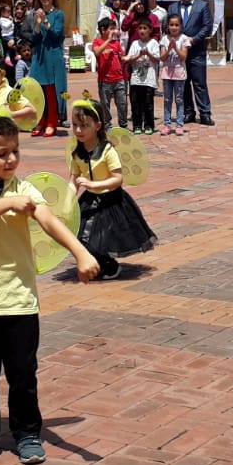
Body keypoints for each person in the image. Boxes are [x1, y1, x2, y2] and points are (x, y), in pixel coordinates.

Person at [0, 107, 99, 465]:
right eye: (1, 154)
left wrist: (81, 253)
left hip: (19, 302)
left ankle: (27, 432)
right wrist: (5, 203)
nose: (11, 159)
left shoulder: (25, 189)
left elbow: (50, 222)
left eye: (15, 150)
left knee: (22, 374)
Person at [69, 97, 156, 279]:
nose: (78, 130)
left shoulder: (107, 150)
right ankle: (99, 262)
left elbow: (117, 179)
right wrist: (68, 198)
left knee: (102, 238)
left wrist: (94, 184)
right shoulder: (77, 153)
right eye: (75, 125)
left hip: (111, 201)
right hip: (89, 200)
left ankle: (109, 265)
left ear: (97, 126)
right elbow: (73, 180)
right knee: (78, 234)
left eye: (84, 125)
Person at [26, 0, 68, 136]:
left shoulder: (58, 14)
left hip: (53, 55)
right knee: (38, 91)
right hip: (39, 56)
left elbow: (56, 35)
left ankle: (52, 121)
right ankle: (40, 121)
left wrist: (44, 21)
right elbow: (34, 38)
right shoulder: (34, 14)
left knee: (51, 91)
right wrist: (37, 23)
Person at [178, 0, 214, 127]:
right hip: (180, 53)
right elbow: (168, 26)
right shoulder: (173, 7)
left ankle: (205, 114)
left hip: (197, 51)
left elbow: (207, 27)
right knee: (184, 84)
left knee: (200, 84)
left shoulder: (202, 6)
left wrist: (194, 40)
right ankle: (188, 113)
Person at [91, 17, 129, 130]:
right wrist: (108, 40)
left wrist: (129, 58)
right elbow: (97, 52)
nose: (115, 31)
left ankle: (123, 124)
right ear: (103, 30)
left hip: (119, 79)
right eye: (112, 28)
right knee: (105, 104)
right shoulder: (97, 42)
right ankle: (107, 125)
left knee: (122, 103)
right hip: (105, 81)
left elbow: (122, 57)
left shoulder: (117, 43)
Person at [158, 13, 191, 136]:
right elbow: (162, 57)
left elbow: (183, 57)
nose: (174, 27)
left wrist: (176, 48)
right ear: (168, 26)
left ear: (181, 26)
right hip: (167, 74)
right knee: (167, 100)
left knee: (179, 99)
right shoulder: (164, 39)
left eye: (176, 25)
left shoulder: (184, 39)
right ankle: (167, 124)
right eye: (171, 25)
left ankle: (179, 124)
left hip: (179, 75)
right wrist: (169, 49)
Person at [126, 18, 160, 135]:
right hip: (136, 80)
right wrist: (138, 55)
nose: (142, 31)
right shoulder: (135, 43)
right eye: (140, 28)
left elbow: (157, 60)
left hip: (148, 80)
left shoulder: (154, 43)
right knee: (135, 104)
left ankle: (149, 125)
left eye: (145, 28)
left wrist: (148, 54)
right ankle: (137, 125)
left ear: (150, 30)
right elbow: (130, 60)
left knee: (148, 104)